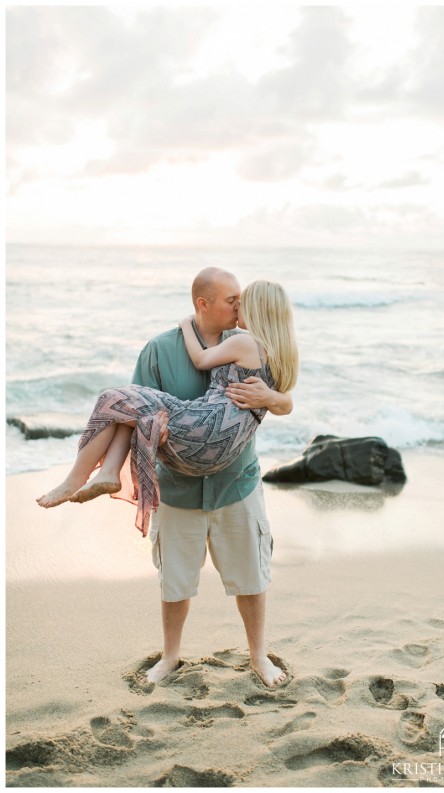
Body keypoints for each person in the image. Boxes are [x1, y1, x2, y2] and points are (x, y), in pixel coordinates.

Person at [38, 268, 296, 687]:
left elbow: (286, 396)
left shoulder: (246, 341)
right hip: (178, 487)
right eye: (232, 299)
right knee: (175, 581)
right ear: (203, 303)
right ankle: (170, 656)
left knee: (251, 576)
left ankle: (259, 657)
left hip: (236, 482)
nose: (237, 305)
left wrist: (272, 398)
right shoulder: (160, 350)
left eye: (241, 300)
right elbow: (133, 412)